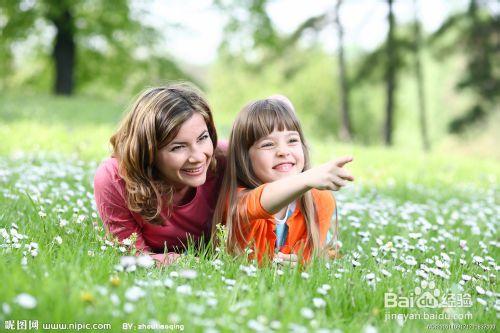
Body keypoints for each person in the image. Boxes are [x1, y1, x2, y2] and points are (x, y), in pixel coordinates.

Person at [94, 83, 226, 265]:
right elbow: (133, 257)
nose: (198, 157)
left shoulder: (224, 159)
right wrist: (180, 261)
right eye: (178, 147)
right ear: (148, 151)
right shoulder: (114, 178)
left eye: (203, 138)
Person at [212, 96, 353, 266]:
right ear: (245, 158)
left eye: (292, 140)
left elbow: (310, 261)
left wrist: (302, 265)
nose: (283, 151)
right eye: (268, 144)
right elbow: (262, 200)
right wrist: (307, 178)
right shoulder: (238, 201)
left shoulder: (319, 201)